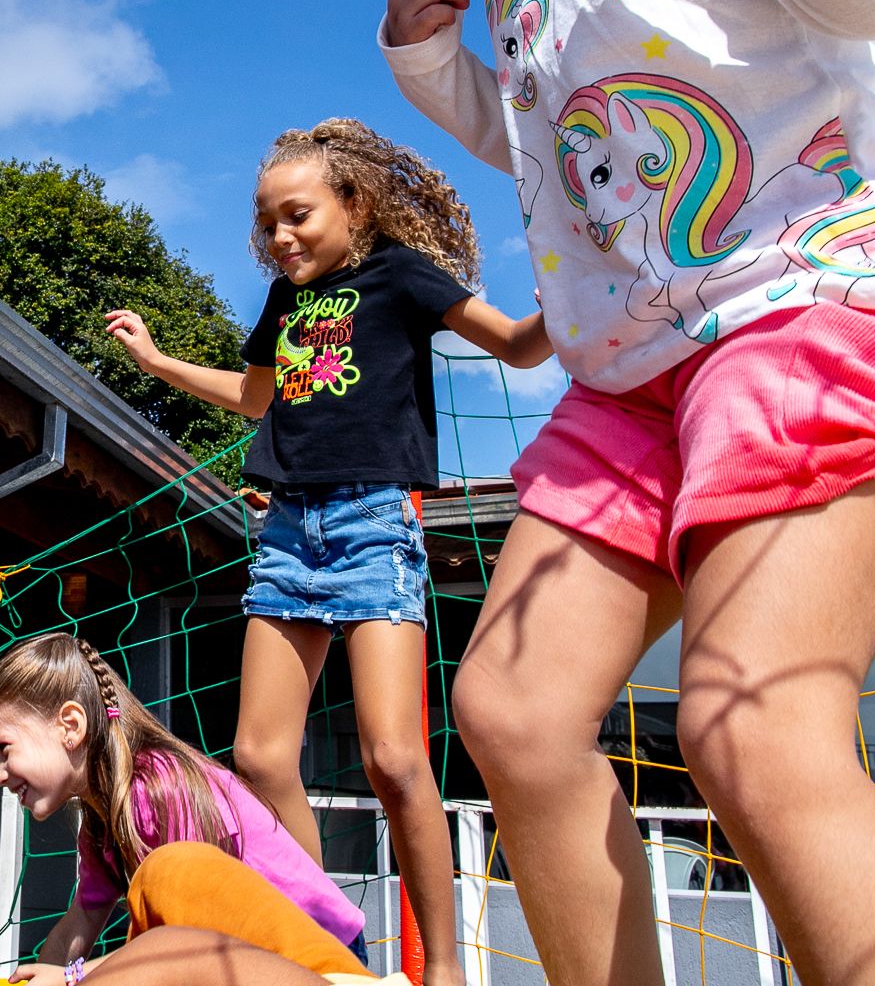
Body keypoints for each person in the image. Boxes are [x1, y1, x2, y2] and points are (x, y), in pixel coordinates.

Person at [345, 0, 875, 981]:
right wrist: (438, 72)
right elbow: (565, 150)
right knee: (511, 711)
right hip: (636, 374)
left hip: (823, 296)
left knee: (752, 722)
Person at [105, 118, 548, 983]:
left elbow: (517, 345)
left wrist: (584, 295)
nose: (280, 236)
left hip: (372, 521)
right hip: (286, 532)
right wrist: (158, 362)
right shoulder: (285, 303)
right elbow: (254, 397)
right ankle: (332, 949)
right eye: (267, 223)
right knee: (261, 757)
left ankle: (446, 968)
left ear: (354, 203)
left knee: (392, 757)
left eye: (298, 215)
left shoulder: (400, 278)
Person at [0, 632, 374, 986]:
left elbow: (178, 944)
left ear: (70, 726)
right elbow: (79, 923)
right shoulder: (100, 822)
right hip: (252, 956)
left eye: (4, 749)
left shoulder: (158, 787)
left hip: (324, 958)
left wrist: (73, 976)